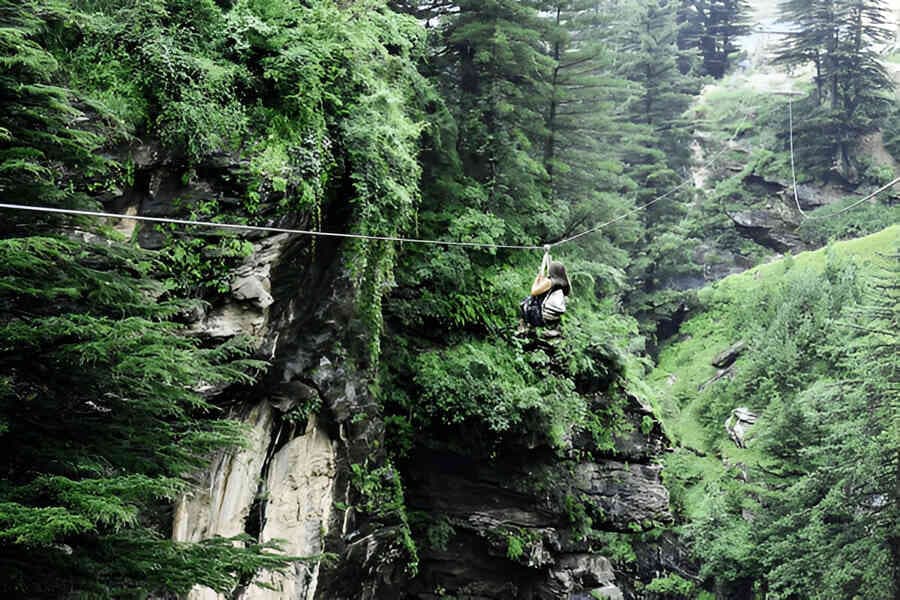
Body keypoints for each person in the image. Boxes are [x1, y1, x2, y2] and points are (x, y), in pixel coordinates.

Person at [520, 251, 570, 327]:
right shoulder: (564, 284)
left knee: (525, 302)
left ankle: (525, 326)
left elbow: (533, 292)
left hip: (542, 317)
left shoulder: (550, 282)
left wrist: (537, 280)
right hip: (554, 319)